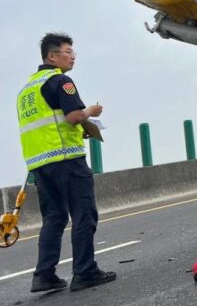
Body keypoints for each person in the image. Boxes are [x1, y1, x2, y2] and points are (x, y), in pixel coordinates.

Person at [16, 33, 116, 293]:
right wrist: (90, 112)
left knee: (54, 217)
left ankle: (44, 275)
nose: (73, 57)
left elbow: (49, 125)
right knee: (84, 213)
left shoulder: (26, 90)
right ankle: (85, 272)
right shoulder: (60, 80)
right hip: (67, 160)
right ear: (52, 56)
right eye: (68, 52)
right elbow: (73, 116)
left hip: (40, 164)